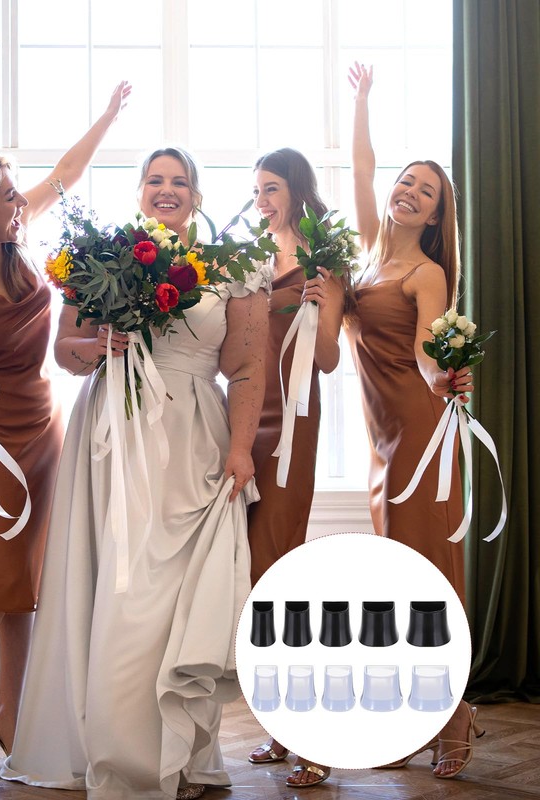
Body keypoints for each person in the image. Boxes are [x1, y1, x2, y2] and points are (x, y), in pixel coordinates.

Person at [0, 146, 270, 800]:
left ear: (196, 195)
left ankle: (184, 754)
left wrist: (241, 449)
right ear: (140, 190)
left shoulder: (231, 267)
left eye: (179, 181)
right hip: (115, 435)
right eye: (155, 179)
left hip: (194, 436)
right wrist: (98, 346)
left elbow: (246, 367)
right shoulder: (100, 255)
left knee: (181, 596)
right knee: (124, 590)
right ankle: (125, 760)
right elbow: (64, 352)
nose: (166, 189)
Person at [0, 82, 131, 779]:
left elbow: (67, 173)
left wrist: (107, 116)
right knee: (0, 575)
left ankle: (10, 714)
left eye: (18, 195)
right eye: (7, 196)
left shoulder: (20, 236)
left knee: (25, 581)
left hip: (45, 425)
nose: (20, 203)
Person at [345, 61, 481, 783]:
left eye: (425, 191)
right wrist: (363, 100)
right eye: (407, 181)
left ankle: (455, 717)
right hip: (382, 439)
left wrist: (443, 378)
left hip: (421, 435)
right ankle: (416, 714)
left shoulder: (427, 273)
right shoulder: (370, 250)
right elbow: (362, 169)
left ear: (434, 216)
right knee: (400, 577)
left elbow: (429, 350)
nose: (408, 191)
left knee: (430, 578)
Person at [245, 149, 347, 784]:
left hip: (290, 425)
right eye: (257, 189)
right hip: (241, 422)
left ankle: (314, 734)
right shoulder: (252, 257)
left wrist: (315, 305)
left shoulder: (323, 261)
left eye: (272, 188)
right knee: (254, 580)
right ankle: (283, 728)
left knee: (277, 570)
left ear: (297, 191)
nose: (261, 200)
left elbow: (329, 359)